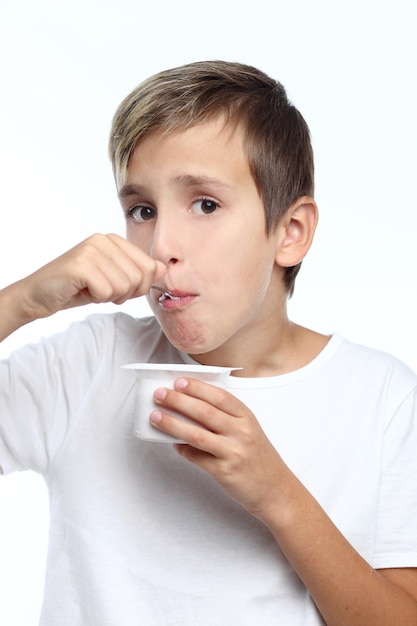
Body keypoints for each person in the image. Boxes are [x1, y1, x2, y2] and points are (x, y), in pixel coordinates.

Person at [1, 60, 416, 626]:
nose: (161, 245)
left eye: (205, 204)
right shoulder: (89, 364)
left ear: (290, 233)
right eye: (141, 211)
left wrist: (278, 495)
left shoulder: (381, 397)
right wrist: (23, 300)